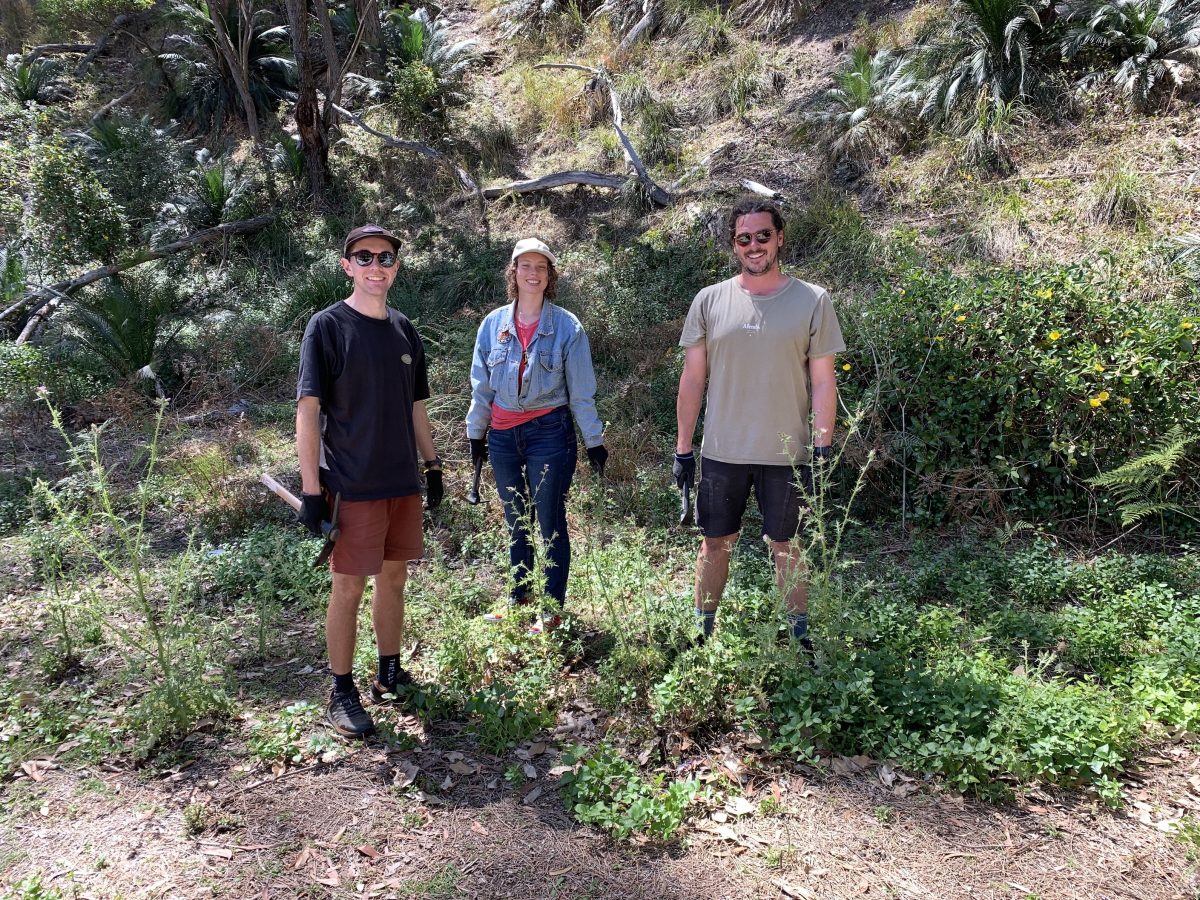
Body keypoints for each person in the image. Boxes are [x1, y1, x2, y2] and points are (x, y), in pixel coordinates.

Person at [674, 199, 844, 647]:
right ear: (734, 245)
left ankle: (800, 641)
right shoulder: (709, 301)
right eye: (744, 238)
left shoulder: (813, 300)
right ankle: (701, 636)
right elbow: (693, 379)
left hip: (786, 453)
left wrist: (823, 445)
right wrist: (683, 448)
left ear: (780, 238)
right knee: (715, 543)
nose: (754, 246)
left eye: (763, 236)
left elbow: (824, 381)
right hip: (721, 452)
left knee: (786, 548)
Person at [296, 224, 444, 739]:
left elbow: (416, 406)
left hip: (401, 480)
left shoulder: (404, 329)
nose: (375, 266)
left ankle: (388, 670)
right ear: (347, 266)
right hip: (352, 485)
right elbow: (309, 411)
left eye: (385, 258)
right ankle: (341, 689)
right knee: (348, 588)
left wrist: (433, 465)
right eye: (364, 257)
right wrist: (312, 490)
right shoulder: (328, 327)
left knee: (395, 579)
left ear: (396, 267)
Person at [466, 238, 607, 633]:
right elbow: (482, 387)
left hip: (550, 433)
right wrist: (476, 432)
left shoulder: (567, 327)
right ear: (513, 273)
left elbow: (582, 392)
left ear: (550, 276)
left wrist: (593, 441)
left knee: (549, 521)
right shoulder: (493, 325)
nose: (533, 274)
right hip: (503, 437)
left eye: (540, 268)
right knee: (516, 520)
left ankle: (552, 609)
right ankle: (519, 598)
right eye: (525, 266)